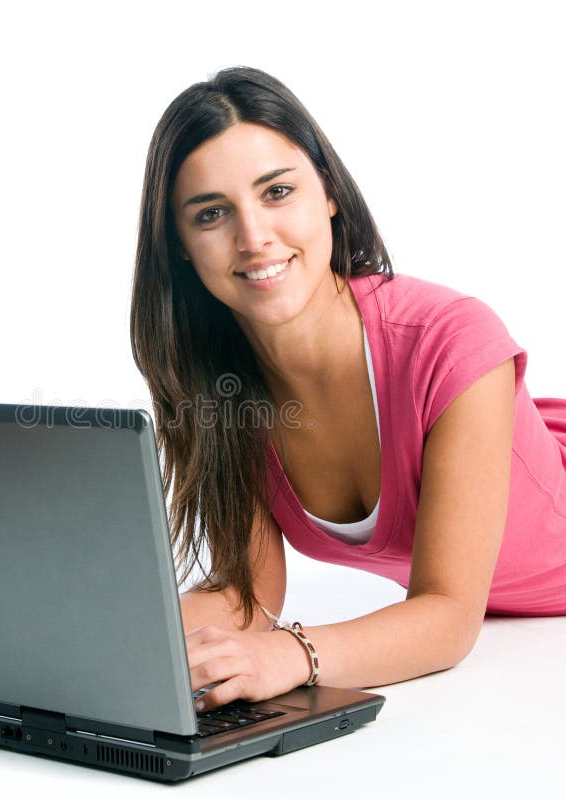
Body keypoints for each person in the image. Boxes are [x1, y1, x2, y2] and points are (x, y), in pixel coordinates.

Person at [129, 66, 566, 712]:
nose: (254, 239)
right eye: (213, 213)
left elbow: (447, 617)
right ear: (182, 248)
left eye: (276, 192)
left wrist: (290, 655)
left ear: (328, 192)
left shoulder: (451, 341)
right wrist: (112, 639)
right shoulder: (217, 387)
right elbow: (250, 595)